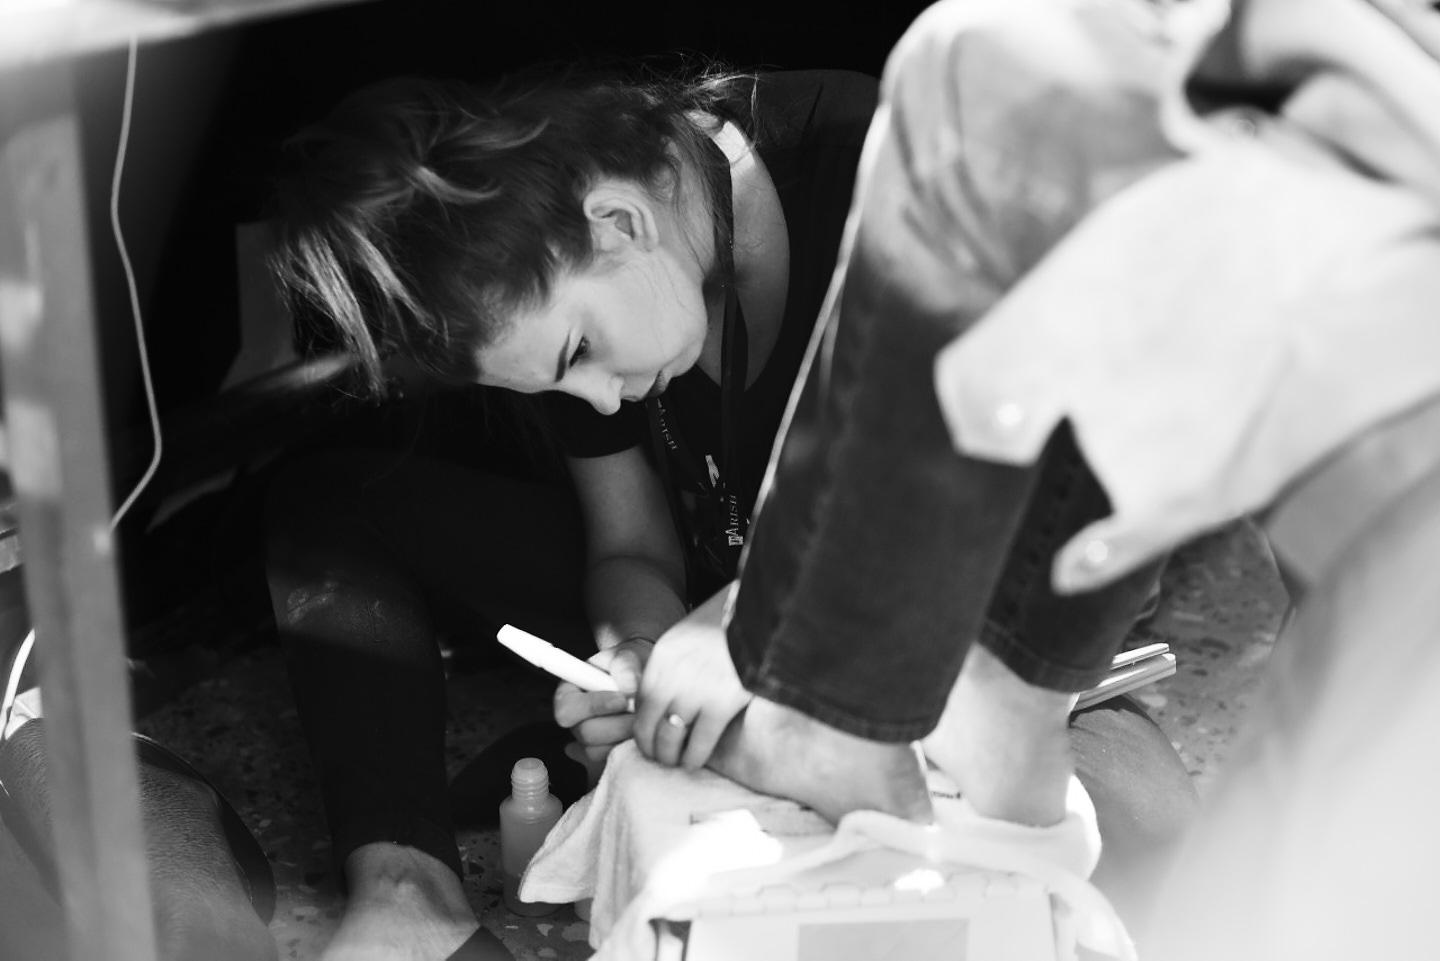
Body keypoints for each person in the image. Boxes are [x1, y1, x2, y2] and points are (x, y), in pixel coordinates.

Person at [262, 58, 1192, 961]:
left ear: (619, 221)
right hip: (731, 598)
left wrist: (757, 627)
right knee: (326, 503)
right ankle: (407, 896)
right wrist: (642, 648)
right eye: (559, 380)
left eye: (582, 352)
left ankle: (843, 736)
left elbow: (992, 484)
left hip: (942, 606)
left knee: (1136, 832)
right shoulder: (579, 305)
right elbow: (630, 541)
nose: (599, 400)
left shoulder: (877, 163)